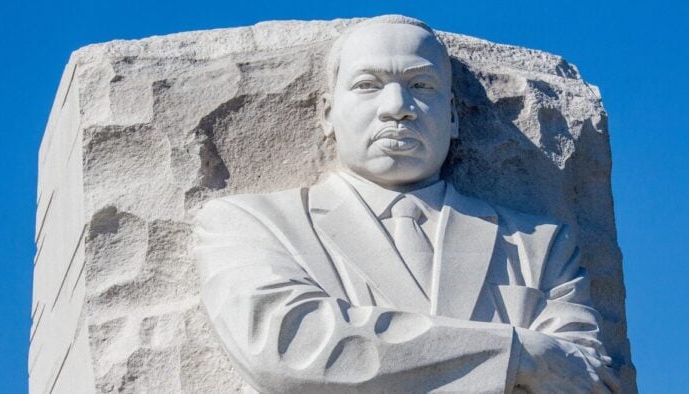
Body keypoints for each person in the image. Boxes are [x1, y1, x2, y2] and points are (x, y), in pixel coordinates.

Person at [194, 15, 619, 393]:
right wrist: (518, 354)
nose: (397, 108)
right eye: (367, 85)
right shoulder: (251, 224)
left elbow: (584, 380)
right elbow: (291, 346)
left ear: (452, 115)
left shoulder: (538, 244)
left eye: (421, 85)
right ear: (327, 113)